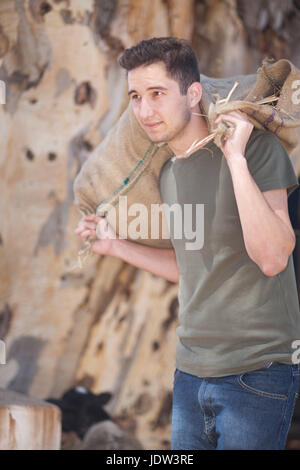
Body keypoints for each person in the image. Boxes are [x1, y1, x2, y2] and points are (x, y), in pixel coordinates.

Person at [74, 37, 300, 450]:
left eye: (157, 94)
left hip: (256, 371)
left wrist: (235, 159)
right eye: (136, 97)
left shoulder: (259, 152)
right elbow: (190, 266)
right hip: (190, 372)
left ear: (193, 93)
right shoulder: (169, 175)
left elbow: (272, 258)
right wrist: (115, 246)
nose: (144, 110)